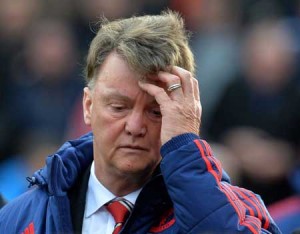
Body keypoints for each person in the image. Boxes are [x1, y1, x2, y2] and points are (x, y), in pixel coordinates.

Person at [0, 11, 281, 233]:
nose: (135, 126)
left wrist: (185, 148)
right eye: (119, 107)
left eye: (156, 111)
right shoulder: (21, 218)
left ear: (187, 114)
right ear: (88, 106)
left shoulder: (239, 212)